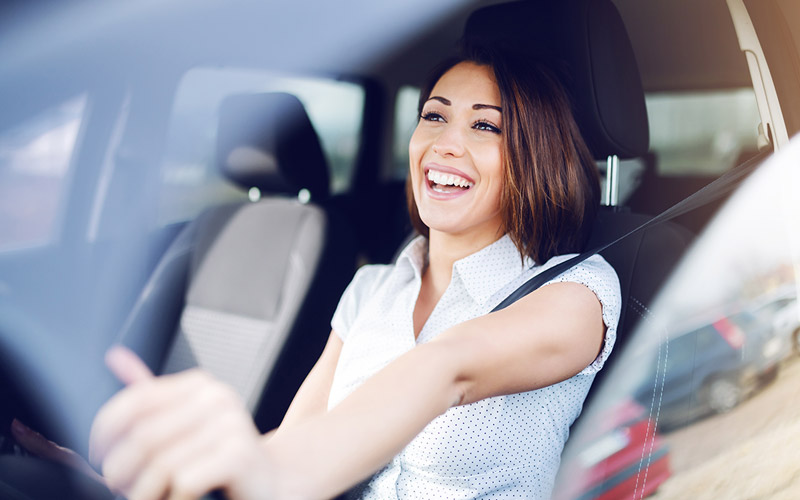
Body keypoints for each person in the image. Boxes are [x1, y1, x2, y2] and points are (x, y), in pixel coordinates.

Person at [17, 46, 621, 500]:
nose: (444, 144)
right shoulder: (371, 289)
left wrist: (264, 472)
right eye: (434, 117)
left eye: (485, 126)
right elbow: (288, 448)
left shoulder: (578, 292)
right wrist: (137, 482)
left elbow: (448, 368)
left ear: (533, 158)